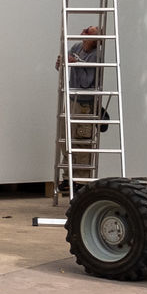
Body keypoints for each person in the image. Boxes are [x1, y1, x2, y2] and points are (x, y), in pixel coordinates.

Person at [57, 25, 104, 183]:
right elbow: (61, 67)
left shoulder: (96, 55)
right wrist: (61, 62)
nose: (82, 33)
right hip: (71, 100)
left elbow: (86, 82)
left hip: (85, 104)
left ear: (95, 40)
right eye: (84, 29)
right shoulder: (77, 47)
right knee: (65, 138)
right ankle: (67, 178)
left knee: (82, 142)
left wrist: (75, 63)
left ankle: (81, 181)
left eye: (87, 32)